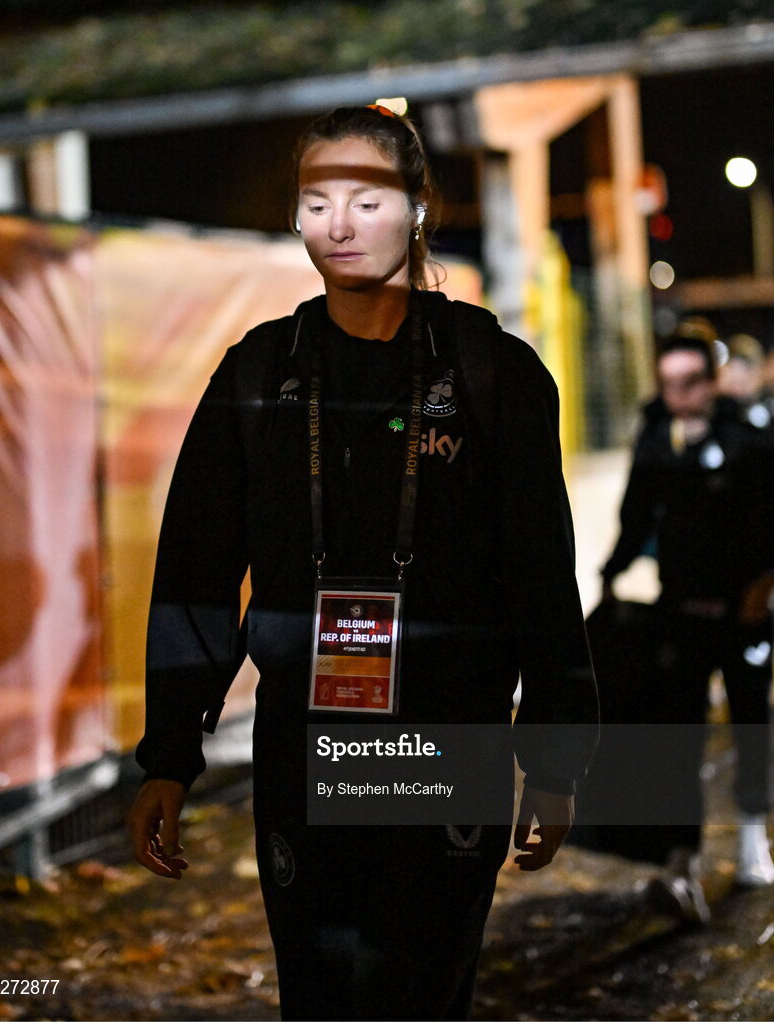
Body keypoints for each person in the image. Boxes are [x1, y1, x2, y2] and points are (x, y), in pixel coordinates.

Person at [128, 104, 598, 1021]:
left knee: (425, 990)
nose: (339, 224)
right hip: (307, 745)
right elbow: (194, 571)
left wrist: (554, 757)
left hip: (446, 738)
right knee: (321, 994)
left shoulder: (493, 375)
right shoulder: (259, 374)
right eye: (316, 201)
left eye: (368, 197)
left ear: (420, 207)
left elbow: (543, 573)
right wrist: (169, 755)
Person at [601, 322, 774, 922]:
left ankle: (753, 830)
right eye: (669, 382)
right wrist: (611, 573)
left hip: (743, 612)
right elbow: (636, 511)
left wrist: (762, 588)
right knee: (677, 731)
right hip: (680, 609)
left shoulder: (750, 437)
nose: (680, 393)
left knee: (752, 718)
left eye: (691, 380)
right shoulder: (654, 434)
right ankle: (682, 855)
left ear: (712, 378)